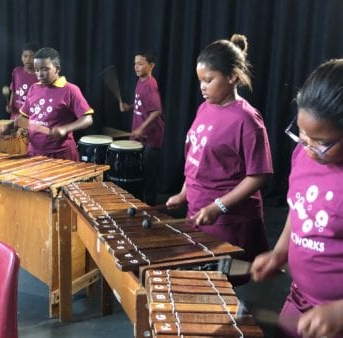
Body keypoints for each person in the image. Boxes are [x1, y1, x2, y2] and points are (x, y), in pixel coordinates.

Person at [251, 59, 343, 338]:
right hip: (299, 301)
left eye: (321, 141)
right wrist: (280, 252)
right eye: (302, 134)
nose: (309, 147)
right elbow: (299, 210)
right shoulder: (302, 153)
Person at [166, 34, 273, 264]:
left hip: (228, 220)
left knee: (224, 286)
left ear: (232, 77)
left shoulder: (247, 120)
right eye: (200, 81)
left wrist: (218, 206)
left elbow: (259, 175)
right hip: (199, 212)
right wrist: (185, 193)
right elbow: (196, 158)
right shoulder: (204, 108)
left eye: (209, 80)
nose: (203, 87)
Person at [17, 47, 93, 161]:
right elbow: (24, 117)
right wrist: (9, 126)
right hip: (34, 153)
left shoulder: (70, 90)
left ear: (57, 69)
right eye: (37, 70)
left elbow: (87, 119)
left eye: (44, 69)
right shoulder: (33, 88)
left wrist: (65, 128)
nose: (39, 74)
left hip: (61, 155)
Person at [120, 51, 164, 205]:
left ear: (151, 66)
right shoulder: (141, 81)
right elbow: (144, 105)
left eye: (140, 64)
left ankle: (151, 208)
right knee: (137, 172)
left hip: (151, 138)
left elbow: (157, 110)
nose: (136, 67)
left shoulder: (150, 85)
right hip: (139, 136)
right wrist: (129, 106)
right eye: (135, 64)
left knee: (148, 174)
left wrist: (141, 129)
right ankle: (138, 204)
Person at [6, 43, 38, 120]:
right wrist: (10, 105)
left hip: (31, 118)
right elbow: (14, 91)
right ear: (21, 57)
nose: (28, 59)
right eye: (25, 56)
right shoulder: (17, 71)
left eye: (32, 56)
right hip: (15, 116)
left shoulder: (41, 76)